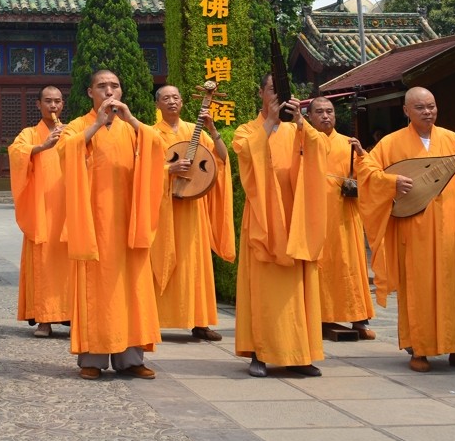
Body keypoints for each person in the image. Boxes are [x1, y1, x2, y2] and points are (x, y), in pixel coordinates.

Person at [359, 86, 455, 373]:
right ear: (406, 111)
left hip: (453, 229)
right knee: (418, 289)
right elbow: (367, 172)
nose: (428, 112)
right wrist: (391, 183)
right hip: (414, 230)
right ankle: (419, 350)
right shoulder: (390, 143)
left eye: (432, 106)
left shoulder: (453, 140)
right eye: (421, 107)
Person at [59, 69, 166, 380]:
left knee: (132, 289)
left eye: (115, 86)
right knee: (97, 290)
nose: (109, 91)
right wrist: (96, 125)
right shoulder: (78, 126)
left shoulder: (133, 128)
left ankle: (130, 359)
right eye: (102, 86)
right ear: (90, 92)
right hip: (94, 223)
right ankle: (92, 358)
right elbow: (66, 152)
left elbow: (157, 147)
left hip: (128, 222)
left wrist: (131, 119)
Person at [231, 78, 329, 378]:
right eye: (273, 90)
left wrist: (300, 122)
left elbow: (319, 150)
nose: (278, 96)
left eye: (283, 90)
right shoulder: (248, 129)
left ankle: (299, 354)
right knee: (262, 288)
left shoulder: (297, 129)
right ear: (261, 93)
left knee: (297, 290)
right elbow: (245, 153)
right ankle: (259, 353)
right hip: (264, 218)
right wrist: (270, 122)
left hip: (294, 216)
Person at [149, 83, 235, 343]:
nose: (172, 101)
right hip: (165, 208)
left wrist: (212, 129)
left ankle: (199, 322)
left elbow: (221, 159)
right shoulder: (152, 134)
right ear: (157, 104)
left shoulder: (194, 130)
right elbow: (144, 170)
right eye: (166, 98)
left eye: (176, 97)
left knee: (195, 263)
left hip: (193, 207)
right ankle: (154, 320)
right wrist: (169, 169)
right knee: (163, 259)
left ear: (183, 101)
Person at [306, 96, 376, 340]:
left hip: (344, 215)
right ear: (309, 117)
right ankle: (321, 317)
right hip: (314, 215)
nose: (326, 116)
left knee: (350, 264)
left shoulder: (348, 144)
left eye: (330, 111)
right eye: (319, 112)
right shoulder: (303, 142)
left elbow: (369, 175)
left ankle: (359, 319)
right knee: (321, 266)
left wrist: (362, 154)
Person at [6, 86, 73, 338]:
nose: (53, 106)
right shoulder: (30, 133)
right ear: (38, 104)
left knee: (71, 263)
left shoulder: (71, 132)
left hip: (67, 209)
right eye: (48, 101)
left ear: (62, 104)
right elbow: (16, 153)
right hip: (41, 209)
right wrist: (43, 146)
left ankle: (73, 315)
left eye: (57, 101)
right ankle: (44, 319)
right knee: (43, 263)